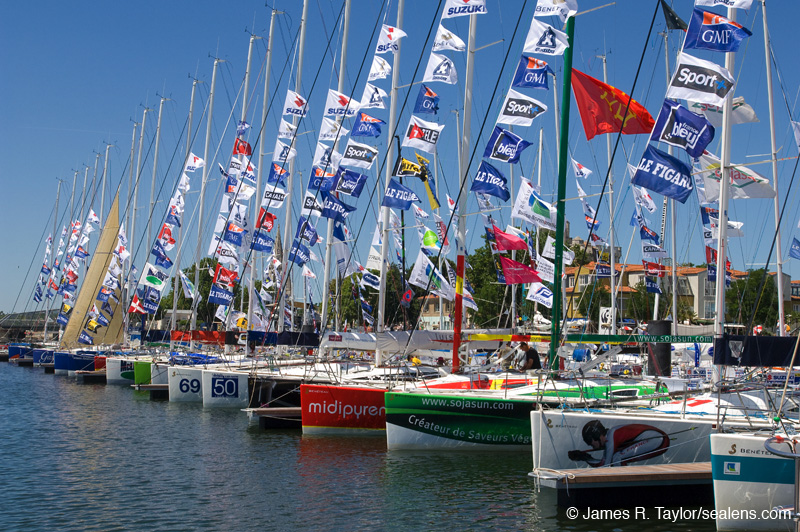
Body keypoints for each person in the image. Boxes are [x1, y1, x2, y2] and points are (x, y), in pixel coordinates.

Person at [567, 420, 670, 467]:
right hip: (658, 439)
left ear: (597, 436)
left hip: (658, 440)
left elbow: (606, 465)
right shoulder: (611, 437)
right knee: (616, 457)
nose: (591, 446)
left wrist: (585, 458)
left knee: (617, 457)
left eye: (590, 442)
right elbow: (604, 463)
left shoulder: (611, 437)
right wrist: (586, 457)